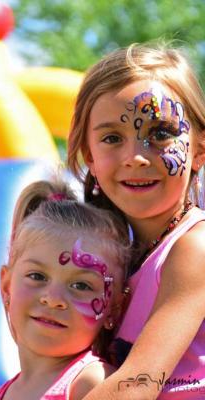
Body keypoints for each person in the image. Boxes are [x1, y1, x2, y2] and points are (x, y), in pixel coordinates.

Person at [67, 42, 205, 399]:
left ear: (200, 150)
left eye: (160, 134)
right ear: (91, 159)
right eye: (112, 138)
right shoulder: (108, 260)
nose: (135, 157)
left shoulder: (196, 247)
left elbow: (136, 386)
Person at [0, 179, 131, 400]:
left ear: (114, 309)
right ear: (6, 286)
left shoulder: (94, 384)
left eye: (81, 285)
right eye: (37, 276)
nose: (53, 299)